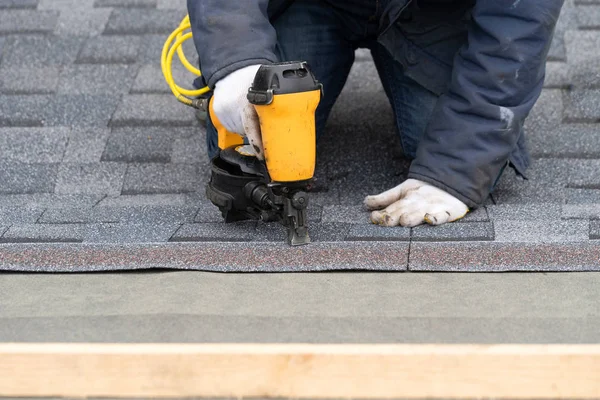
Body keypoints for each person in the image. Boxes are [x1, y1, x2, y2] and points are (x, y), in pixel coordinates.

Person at [187, 0, 564, 227]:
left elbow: (519, 19)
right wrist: (236, 60)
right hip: (304, 3)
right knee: (252, 139)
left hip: (430, 11)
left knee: (459, 153)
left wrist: (457, 168)